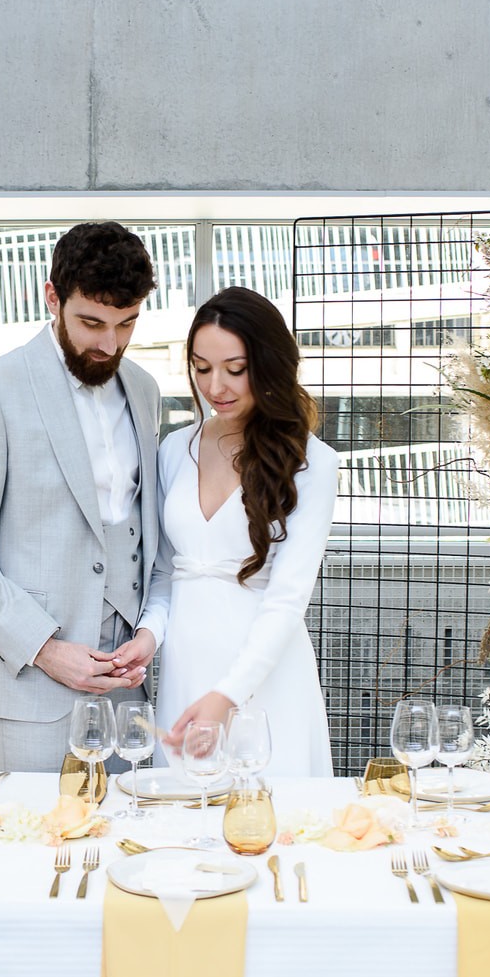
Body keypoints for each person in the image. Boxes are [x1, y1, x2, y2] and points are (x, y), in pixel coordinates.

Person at [0, 221, 161, 772]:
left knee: (128, 844)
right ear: (52, 297)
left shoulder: (144, 390)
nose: (110, 344)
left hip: (134, 686)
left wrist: (148, 631)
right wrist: (47, 650)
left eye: (127, 324)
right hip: (35, 685)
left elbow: (141, 532)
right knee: (36, 849)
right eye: (91, 322)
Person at [117, 287, 338, 777]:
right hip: (185, 671)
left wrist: (227, 696)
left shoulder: (312, 462)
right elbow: (164, 570)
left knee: (271, 831)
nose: (216, 386)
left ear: (269, 364)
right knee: (182, 831)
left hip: (263, 678)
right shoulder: (175, 448)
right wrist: (149, 635)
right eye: (201, 368)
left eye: (235, 369)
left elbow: (288, 598)